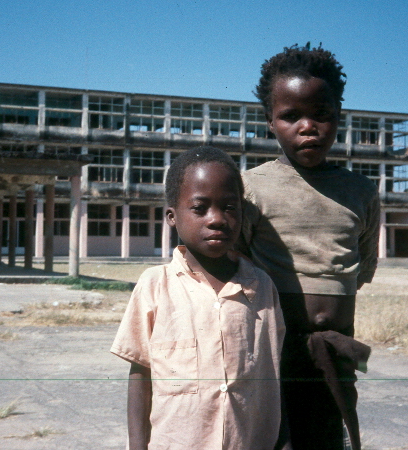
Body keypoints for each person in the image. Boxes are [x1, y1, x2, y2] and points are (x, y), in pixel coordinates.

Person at [238, 44, 379, 450]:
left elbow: (361, 267)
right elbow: (239, 263)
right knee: (274, 438)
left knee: (328, 437)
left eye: (321, 114)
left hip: (335, 349)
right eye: (291, 116)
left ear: (339, 116)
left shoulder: (360, 192)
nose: (308, 127)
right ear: (270, 121)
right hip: (272, 348)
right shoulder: (251, 188)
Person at [111, 146, 286, 450]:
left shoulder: (262, 287)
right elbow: (140, 374)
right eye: (200, 208)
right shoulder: (155, 286)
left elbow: (274, 373)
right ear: (172, 216)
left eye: (229, 207)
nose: (217, 219)